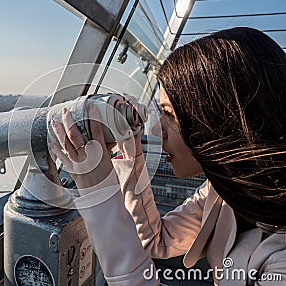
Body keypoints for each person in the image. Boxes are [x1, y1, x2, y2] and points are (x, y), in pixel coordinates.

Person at [50, 27, 286, 285]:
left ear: (219, 121)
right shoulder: (225, 190)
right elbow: (155, 239)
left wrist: (98, 194)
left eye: (170, 115)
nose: (154, 129)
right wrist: (131, 154)